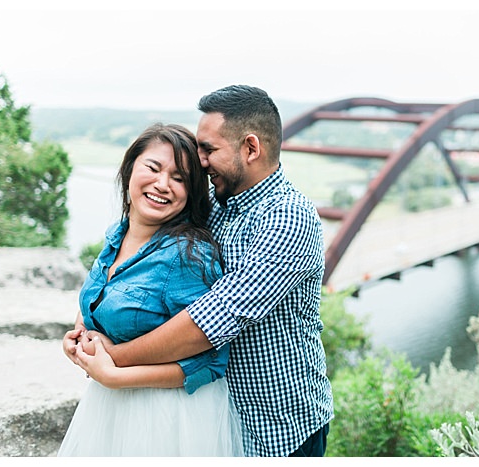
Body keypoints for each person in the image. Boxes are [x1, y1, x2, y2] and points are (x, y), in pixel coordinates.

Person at [79, 85, 334, 457]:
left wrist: (113, 359)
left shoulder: (287, 216)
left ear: (250, 148)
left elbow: (210, 321)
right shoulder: (212, 201)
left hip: (275, 426)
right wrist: (88, 330)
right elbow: (133, 254)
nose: (199, 161)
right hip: (205, 414)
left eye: (208, 149)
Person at [59, 123, 244, 456]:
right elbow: (100, 301)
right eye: (153, 168)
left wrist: (115, 375)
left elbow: (211, 363)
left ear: (191, 193)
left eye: (179, 178)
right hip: (109, 408)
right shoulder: (119, 234)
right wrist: (80, 336)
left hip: (164, 420)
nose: (162, 184)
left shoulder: (188, 255)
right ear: (130, 169)